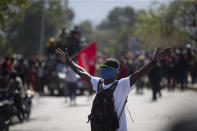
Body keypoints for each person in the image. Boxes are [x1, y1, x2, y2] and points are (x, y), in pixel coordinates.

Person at [55, 47, 171, 131]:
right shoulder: (122, 85)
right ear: (116, 73)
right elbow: (139, 73)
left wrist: (69, 61)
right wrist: (154, 61)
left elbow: (82, 72)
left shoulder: (98, 84)